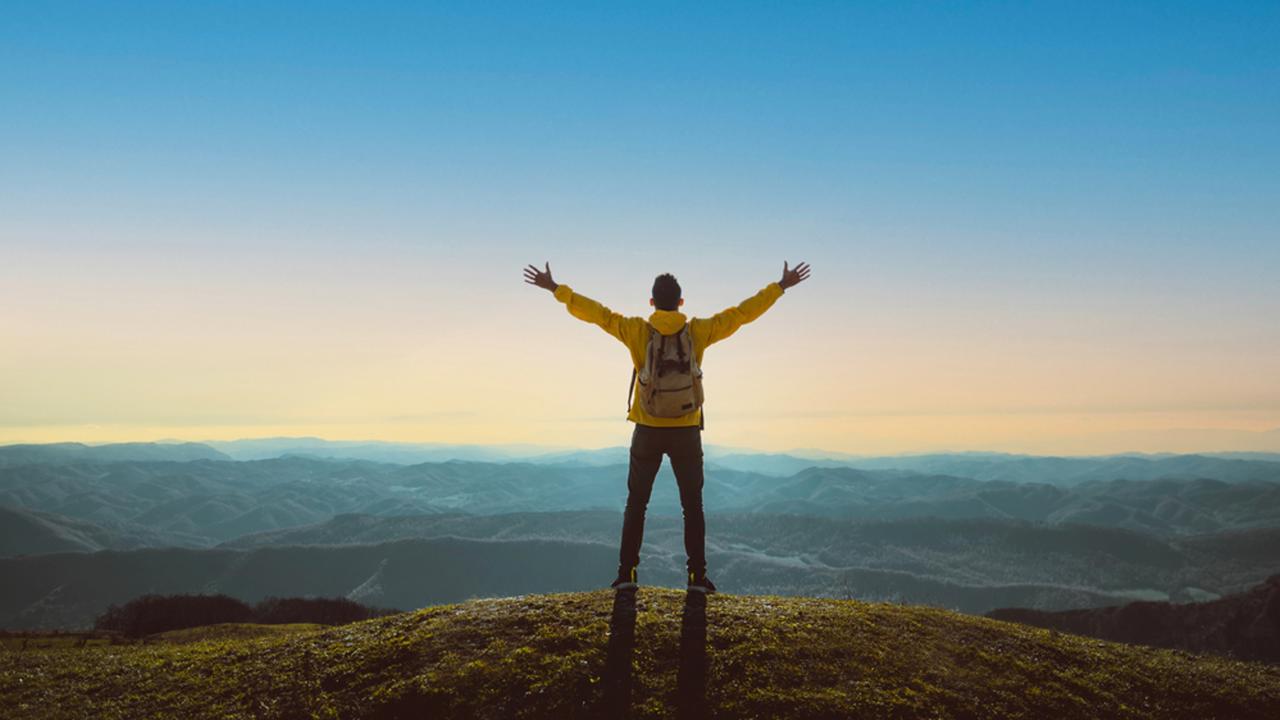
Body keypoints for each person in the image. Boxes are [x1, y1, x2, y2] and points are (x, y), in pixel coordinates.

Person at [523, 261, 811, 594]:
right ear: (681, 303)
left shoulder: (636, 330)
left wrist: (557, 289)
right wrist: (780, 286)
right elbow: (741, 314)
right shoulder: (698, 331)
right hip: (686, 430)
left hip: (647, 428)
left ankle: (626, 575)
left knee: (636, 504)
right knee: (692, 506)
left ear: (651, 303)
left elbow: (598, 314)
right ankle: (696, 578)